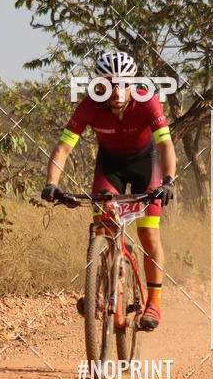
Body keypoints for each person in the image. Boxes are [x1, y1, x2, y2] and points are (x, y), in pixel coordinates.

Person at [41, 51, 177, 331]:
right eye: (108, 83)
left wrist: (169, 180)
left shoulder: (147, 102)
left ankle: (153, 303)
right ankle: (100, 291)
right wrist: (51, 183)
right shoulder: (89, 106)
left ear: (133, 84)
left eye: (124, 83)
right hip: (110, 167)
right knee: (103, 227)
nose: (117, 90)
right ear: (98, 85)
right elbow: (63, 148)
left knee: (148, 233)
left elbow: (165, 145)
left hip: (145, 167)